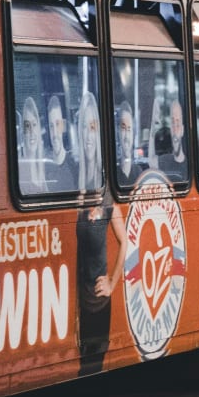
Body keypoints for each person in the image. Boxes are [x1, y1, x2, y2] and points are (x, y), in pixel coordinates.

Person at [74, 92, 116, 375]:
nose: (89, 137)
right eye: (84, 129)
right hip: (80, 300)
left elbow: (125, 240)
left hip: (100, 301)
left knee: (93, 370)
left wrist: (112, 281)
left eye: (93, 128)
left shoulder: (106, 185)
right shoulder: (72, 179)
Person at [45, 91, 78, 193]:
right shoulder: (45, 166)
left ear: (63, 126)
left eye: (57, 124)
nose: (54, 134)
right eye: (51, 126)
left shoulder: (75, 166)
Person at [17, 95, 49, 195]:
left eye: (34, 125)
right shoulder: (19, 167)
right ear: (23, 132)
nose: (31, 132)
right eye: (27, 126)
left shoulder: (45, 163)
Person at [156, 100, 189, 182]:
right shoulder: (161, 162)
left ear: (182, 130)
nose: (175, 129)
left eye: (177, 124)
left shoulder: (191, 165)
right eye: (172, 123)